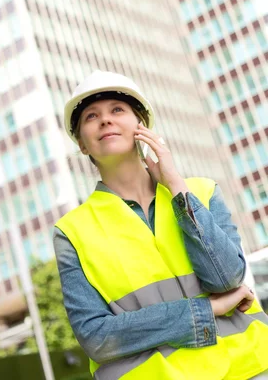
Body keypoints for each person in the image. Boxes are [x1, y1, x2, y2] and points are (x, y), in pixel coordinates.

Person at [53, 70, 268, 380]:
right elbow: (98, 337)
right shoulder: (71, 232)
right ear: (82, 144)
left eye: (117, 110)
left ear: (141, 126)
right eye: (91, 116)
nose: (105, 120)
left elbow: (226, 279)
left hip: (251, 368)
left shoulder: (202, 192)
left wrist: (177, 186)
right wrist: (206, 311)